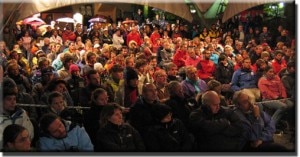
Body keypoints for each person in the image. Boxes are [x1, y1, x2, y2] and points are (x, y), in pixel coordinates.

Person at [0, 82, 34, 150]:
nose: (13, 102)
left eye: (14, 99)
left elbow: (30, 133)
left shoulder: (22, 113)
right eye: (9, 99)